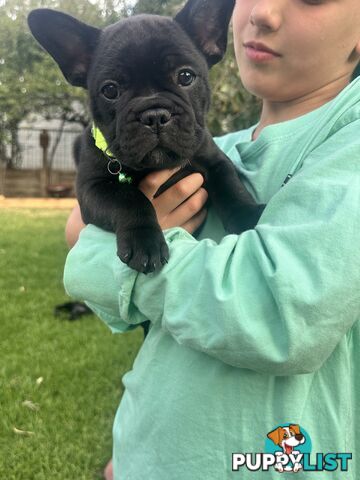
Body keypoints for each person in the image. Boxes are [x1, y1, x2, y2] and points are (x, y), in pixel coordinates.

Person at [64, 0, 360, 478]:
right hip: (152, 445)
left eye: (181, 79)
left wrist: (92, 248)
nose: (265, 11)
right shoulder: (227, 141)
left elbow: (279, 318)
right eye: (115, 90)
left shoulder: (348, 147)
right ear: (78, 67)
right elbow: (91, 210)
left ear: (209, 42)